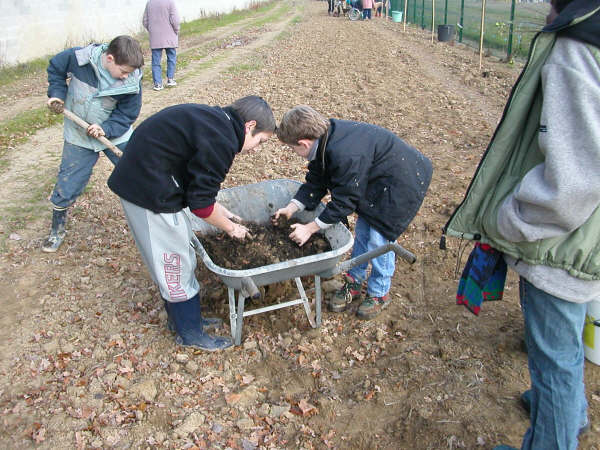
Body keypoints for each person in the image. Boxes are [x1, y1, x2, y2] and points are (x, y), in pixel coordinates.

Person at [443, 0, 600, 448]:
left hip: (562, 242)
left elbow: (572, 184)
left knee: (555, 360)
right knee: (566, 348)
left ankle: (556, 430)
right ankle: (569, 415)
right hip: (590, 235)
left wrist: (509, 220)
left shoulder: (581, 42)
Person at [107, 96, 276, 351]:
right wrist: (232, 228)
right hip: (147, 192)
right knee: (173, 262)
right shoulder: (223, 140)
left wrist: (223, 211)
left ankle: (185, 320)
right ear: (249, 125)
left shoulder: (216, 122)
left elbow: (198, 186)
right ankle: (190, 334)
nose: (256, 149)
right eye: (260, 141)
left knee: (180, 252)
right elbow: (201, 207)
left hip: (154, 177)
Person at [274, 106, 432, 320]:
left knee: (379, 238)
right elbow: (317, 181)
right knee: (363, 231)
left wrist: (309, 228)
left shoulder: (345, 153)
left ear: (303, 143)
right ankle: (355, 280)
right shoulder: (324, 141)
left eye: (293, 149)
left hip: (401, 182)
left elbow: (344, 202)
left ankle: (379, 293)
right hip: (376, 177)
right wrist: (291, 208)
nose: (294, 153)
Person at [43, 35, 144, 253]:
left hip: (116, 135)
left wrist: (106, 129)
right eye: (123, 71)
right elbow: (55, 69)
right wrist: (57, 94)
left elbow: (128, 114)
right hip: (79, 135)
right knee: (68, 183)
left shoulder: (132, 80)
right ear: (109, 59)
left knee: (138, 174)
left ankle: (151, 217)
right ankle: (56, 230)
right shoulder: (77, 59)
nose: (126, 76)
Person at [143, 0, 181, 91]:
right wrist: (176, 30)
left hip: (155, 36)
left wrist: (152, 30)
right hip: (170, 35)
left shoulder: (149, 3)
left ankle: (158, 84)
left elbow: (145, 21)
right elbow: (175, 19)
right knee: (171, 57)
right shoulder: (170, 2)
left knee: (156, 61)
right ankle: (170, 79)